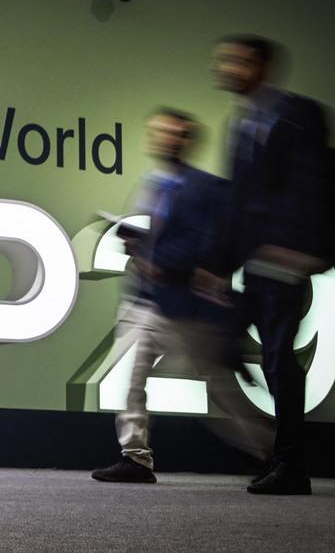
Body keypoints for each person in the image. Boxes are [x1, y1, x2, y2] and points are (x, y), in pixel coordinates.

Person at [91, 109, 273, 484]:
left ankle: (272, 453)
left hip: (186, 306)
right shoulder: (152, 184)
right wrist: (138, 245)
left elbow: (211, 242)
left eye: (173, 133)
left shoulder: (207, 187)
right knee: (131, 378)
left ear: (188, 141)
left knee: (219, 388)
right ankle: (136, 458)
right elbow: (164, 237)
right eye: (158, 132)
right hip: (145, 299)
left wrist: (166, 265)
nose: (164, 139)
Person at [194, 35, 330, 495]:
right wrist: (216, 265)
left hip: (286, 259)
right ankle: (278, 452)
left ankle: (291, 465)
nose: (226, 67)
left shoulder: (300, 114)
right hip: (254, 263)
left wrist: (301, 248)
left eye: (235, 60)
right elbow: (239, 202)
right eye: (224, 59)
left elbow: (312, 185)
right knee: (226, 345)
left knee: (277, 360)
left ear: (261, 65)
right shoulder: (241, 124)